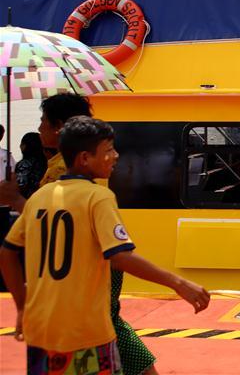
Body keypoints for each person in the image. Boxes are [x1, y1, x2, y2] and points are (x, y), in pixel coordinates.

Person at [0, 116, 210, 375]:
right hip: (87, 333)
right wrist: (179, 283)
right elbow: (120, 257)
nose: (116, 156)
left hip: (41, 332)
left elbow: (7, 252)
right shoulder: (99, 197)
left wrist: (22, 307)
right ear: (85, 158)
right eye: (109, 150)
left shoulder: (39, 198)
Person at [14, 132, 45, 200]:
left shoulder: (24, 164)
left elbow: (20, 185)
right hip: (43, 199)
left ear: (25, 146)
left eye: (22, 143)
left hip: (26, 202)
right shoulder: (47, 162)